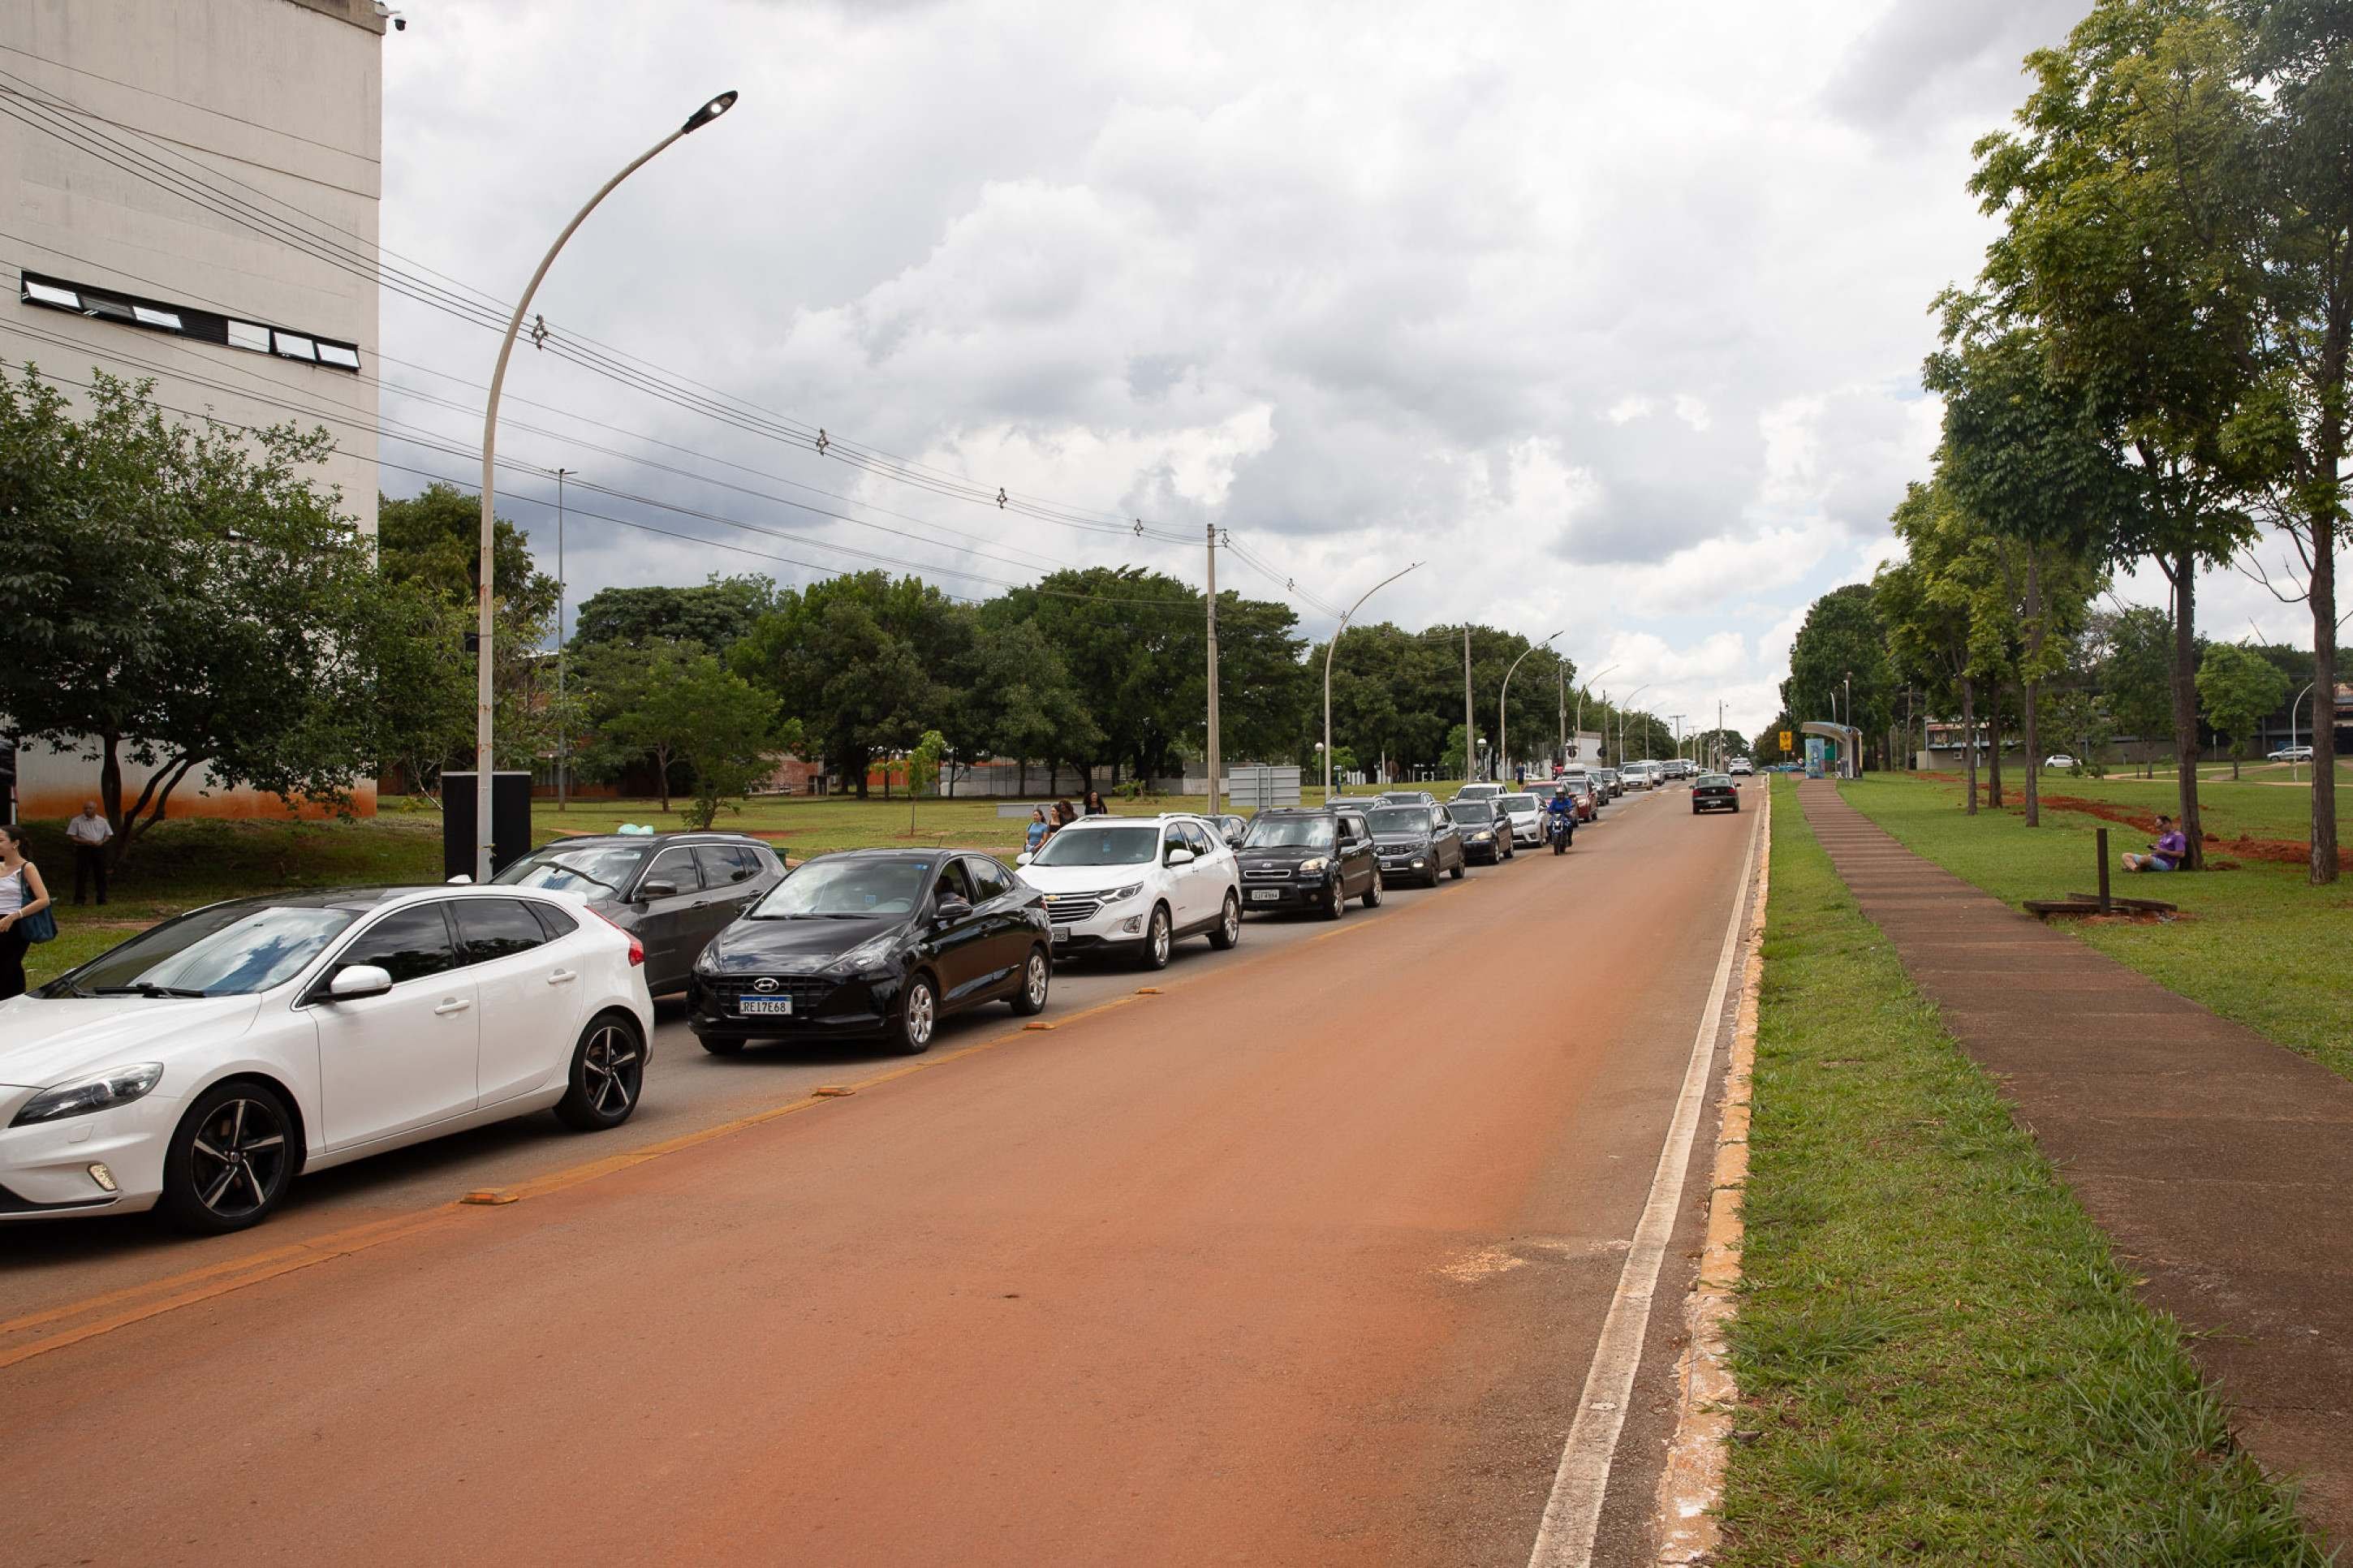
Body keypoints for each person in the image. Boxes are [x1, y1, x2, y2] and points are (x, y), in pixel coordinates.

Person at [0, 823, 55, 1002]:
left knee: (9, 966)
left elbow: (44, 899)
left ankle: (14, 1004)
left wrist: (14, 916)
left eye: (1, 840)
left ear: (15, 844)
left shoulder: (26, 868)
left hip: (15, 922)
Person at [66, 799, 112, 906]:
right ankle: (79, 900)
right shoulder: (76, 821)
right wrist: (86, 841)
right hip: (84, 849)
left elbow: (108, 835)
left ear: (95, 809)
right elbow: (72, 836)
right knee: (82, 874)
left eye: (90, 808)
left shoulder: (102, 821)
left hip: (99, 849)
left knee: (101, 874)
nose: (88, 810)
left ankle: (102, 899)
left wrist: (102, 841)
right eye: (86, 808)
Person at [2122, 815, 2187, 872]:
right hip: (2155, 859)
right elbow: (2161, 849)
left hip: (2166, 864)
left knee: (2145, 859)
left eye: (2160, 827)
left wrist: (2164, 852)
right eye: (2158, 827)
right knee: (2126, 855)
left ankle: (2135, 867)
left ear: (2167, 823)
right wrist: (2155, 848)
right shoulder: (2164, 835)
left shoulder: (2178, 836)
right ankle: (2135, 868)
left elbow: (2181, 854)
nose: (2159, 829)